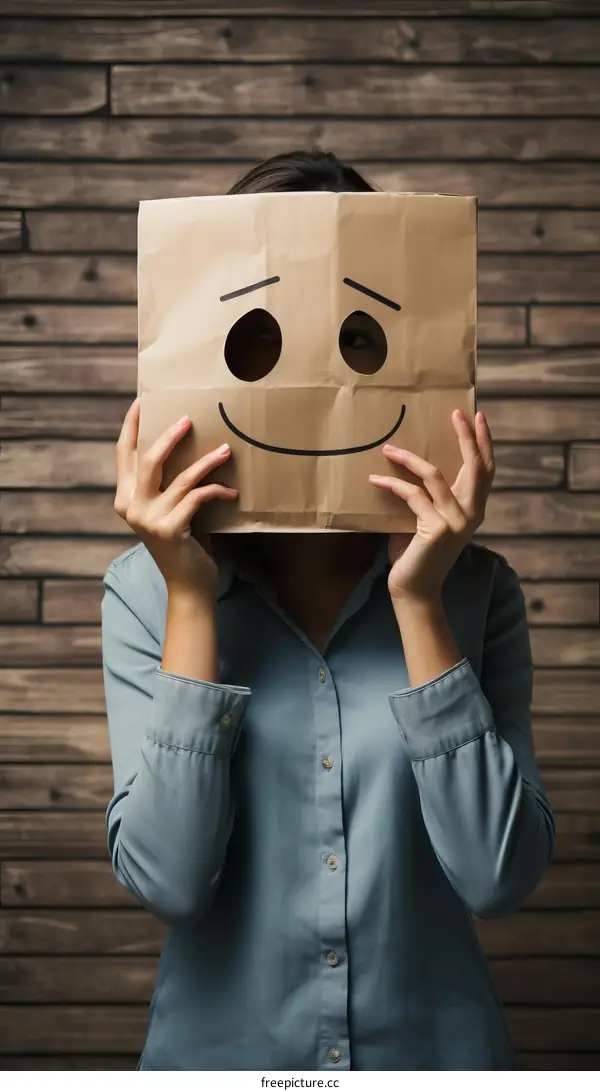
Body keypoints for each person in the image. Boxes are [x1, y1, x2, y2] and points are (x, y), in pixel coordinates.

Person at [101, 151, 555, 1072]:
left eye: (354, 334)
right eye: (259, 335)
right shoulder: (143, 591)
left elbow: (498, 877)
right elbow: (173, 885)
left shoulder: (478, 591)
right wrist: (191, 596)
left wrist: (420, 600)